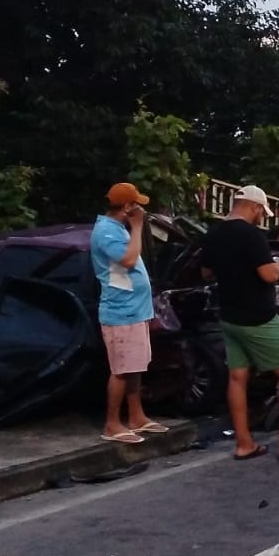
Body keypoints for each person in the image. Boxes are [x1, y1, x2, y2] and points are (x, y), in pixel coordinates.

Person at [198, 184, 279, 463]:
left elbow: (206, 271)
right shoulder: (251, 235)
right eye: (262, 212)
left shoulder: (214, 233)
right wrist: (277, 266)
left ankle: (244, 443)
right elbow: (268, 275)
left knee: (237, 376)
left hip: (230, 315)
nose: (262, 218)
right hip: (258, 316)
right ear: (254, 207)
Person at [90, 182, 169, 444]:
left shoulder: (117, 229)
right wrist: (136, 227)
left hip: (134, 310)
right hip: (120, 311)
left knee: (134, 366)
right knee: (122, 369)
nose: (140, 210)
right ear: (126, 207)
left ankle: (136, 416)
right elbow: (128, 260)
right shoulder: (106, 232)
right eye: (136, 205)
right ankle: (112, 424)